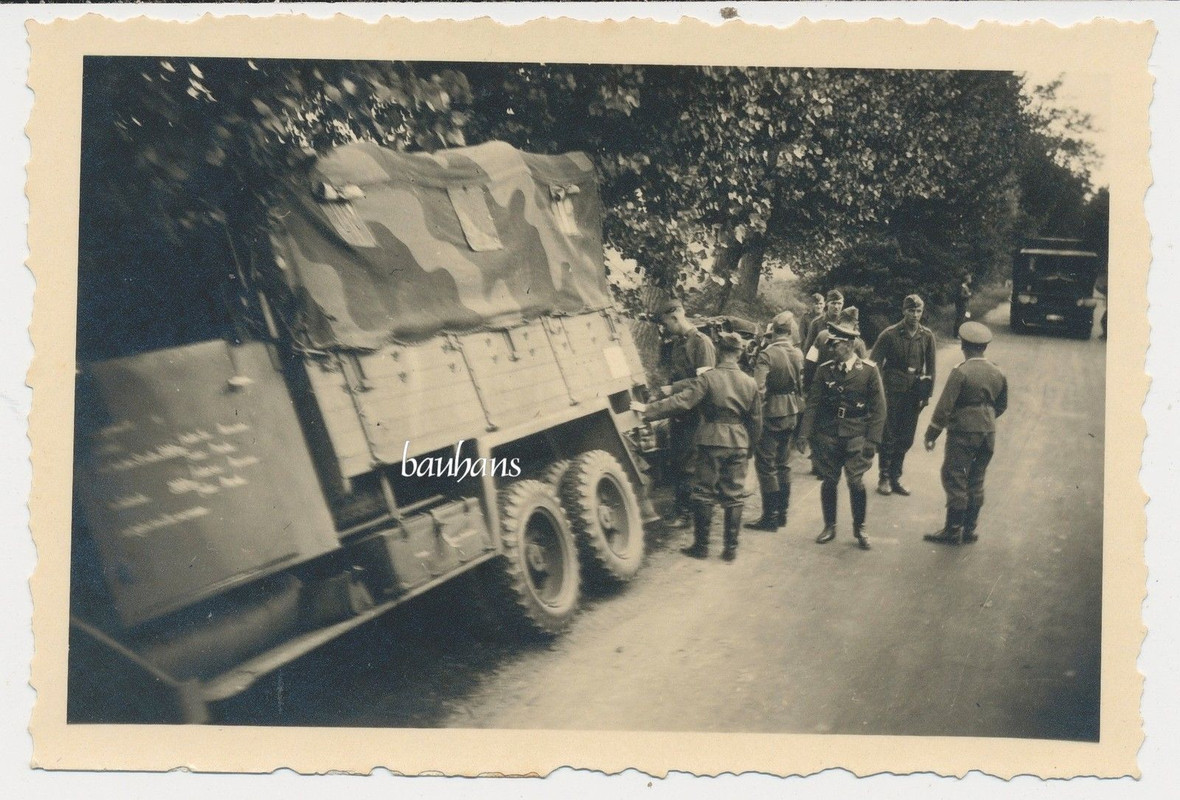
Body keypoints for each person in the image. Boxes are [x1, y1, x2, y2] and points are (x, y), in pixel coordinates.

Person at [633, 333, 762, 562]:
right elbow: (755, 420)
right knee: (734, 495)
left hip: (711, 439)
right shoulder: (750, 383)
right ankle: (730, 549)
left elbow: (682, 401)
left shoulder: (709, 379)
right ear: (740, 353)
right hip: (739, 441)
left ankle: (701, 547)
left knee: (703, 493)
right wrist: (750, 447)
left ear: (719, 352)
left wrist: (648, 409)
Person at [796, 318, 886, 550]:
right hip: (828, 434)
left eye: (834, 344)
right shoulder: (825, 371)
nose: (830, 348)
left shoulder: (868, 371)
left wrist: (872, 441)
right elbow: (813, 403)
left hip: (857, 434)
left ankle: (860, 527)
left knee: (856, 482)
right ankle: (830, 526)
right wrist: (804, 434)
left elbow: (879, 409)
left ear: (848, 345)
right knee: (829, 480)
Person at [922, 321, 1009, 544]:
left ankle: (953, 530)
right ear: (984, 347)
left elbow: (944, 408)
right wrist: (985, 418)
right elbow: (1001, 405)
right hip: (988, 432)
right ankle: (969, 530)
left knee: (955, 476)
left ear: (963, 345)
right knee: (976, 479)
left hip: (962, 433)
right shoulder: (998, 371)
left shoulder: (961, 372)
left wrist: (931, 434)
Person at [656, 299, 716, 527]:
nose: (666, 328)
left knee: (690, 462)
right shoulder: (680, 343)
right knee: (679, 458)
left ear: (676, 317)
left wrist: (674, 389)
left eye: (666, 323)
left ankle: (687, 513)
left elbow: (706, 380)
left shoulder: (701, 343)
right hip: (680, 410)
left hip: (696, 412)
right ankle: (680, 507)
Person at [870, 294, 937, 497]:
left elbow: (931, 368)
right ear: (903, 311)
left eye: (918, 311)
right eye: (911, 310)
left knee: (906, 436)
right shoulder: (890, 334)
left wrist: (926, 395)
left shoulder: (926, 336)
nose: (915, 315)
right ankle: (883, 477)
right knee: (888, 434)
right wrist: (877, 393)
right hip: (891, 390)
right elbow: (874, 365)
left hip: (913, 391)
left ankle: (895, 477)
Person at [750, 311, 805, 531]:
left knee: (766, 465)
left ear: (773, 331)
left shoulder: (767, 355)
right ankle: (782, 514)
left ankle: (770, 517)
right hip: (791, 411)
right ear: (790, 331)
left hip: (772, 413)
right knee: (783, 464)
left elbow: (758, 389)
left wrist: (754, 414)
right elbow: (801, 386)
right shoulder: (797, 354)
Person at [803, 306, 868, 390]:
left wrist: (807, 387)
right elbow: (864, 371)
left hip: (821, 386)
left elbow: (809, 363)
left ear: (839, 320)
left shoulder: (821, 335)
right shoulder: (858, 343)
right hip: (845, 391)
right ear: (855, 324)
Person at [802, 290, 844, 357]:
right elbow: (808, 350)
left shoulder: (847, 323)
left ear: (843, 304)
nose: (836, 307)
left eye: (839, 303)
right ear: (827, 304)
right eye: (833, 303)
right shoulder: (816, 323)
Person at [954, 274, 974, 339]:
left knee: (965, 318)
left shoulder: (965, 287)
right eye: (970, 279)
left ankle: (962, 333)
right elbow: (961, 296)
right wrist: (968, 295)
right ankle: (957, 334)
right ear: (967, 280)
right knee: (961, 319)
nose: (971, 280)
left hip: (965, 305)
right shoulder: (962, 287)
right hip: (962, 306)